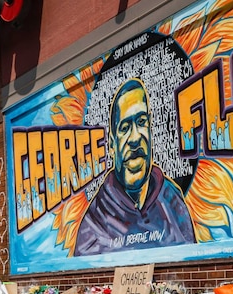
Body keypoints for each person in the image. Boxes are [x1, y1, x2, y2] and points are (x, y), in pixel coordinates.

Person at [74, 78, 196, 256]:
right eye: (124, 127)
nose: (135, 138)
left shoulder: (172, 200)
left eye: (141, 122)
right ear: (112, 144)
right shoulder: (94, 223)